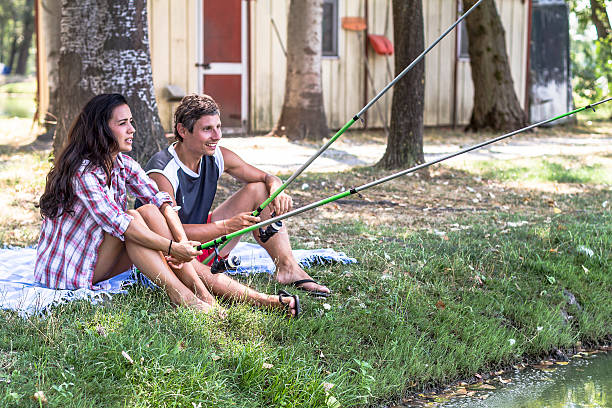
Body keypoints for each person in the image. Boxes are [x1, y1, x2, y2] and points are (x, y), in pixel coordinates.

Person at [35, 94, 299, 316]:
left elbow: (161, 203)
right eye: (123, 124)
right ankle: (185, 296)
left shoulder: (122, 165)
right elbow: (120, 224)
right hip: (71, 270)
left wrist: (181, 245)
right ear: (101, 129)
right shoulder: (84, 172)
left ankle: (236, 299)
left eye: (131, 122)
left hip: (102, 254)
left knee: (149, 212)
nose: (132, 130)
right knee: (134, 218)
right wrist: (175, 246)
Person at [142, 94, 330, 297]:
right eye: (207, 129)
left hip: (205, 243)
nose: (217, 136)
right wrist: (227, 226)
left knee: (259, 189)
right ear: (182, 130)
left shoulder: (216, 156)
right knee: (179, 247)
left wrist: (278, 188)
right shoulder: (162, 171)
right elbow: (169, 235)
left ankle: (288, 268)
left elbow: (266, 178)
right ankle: (257, 296)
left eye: (218, 127)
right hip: (175, 254)